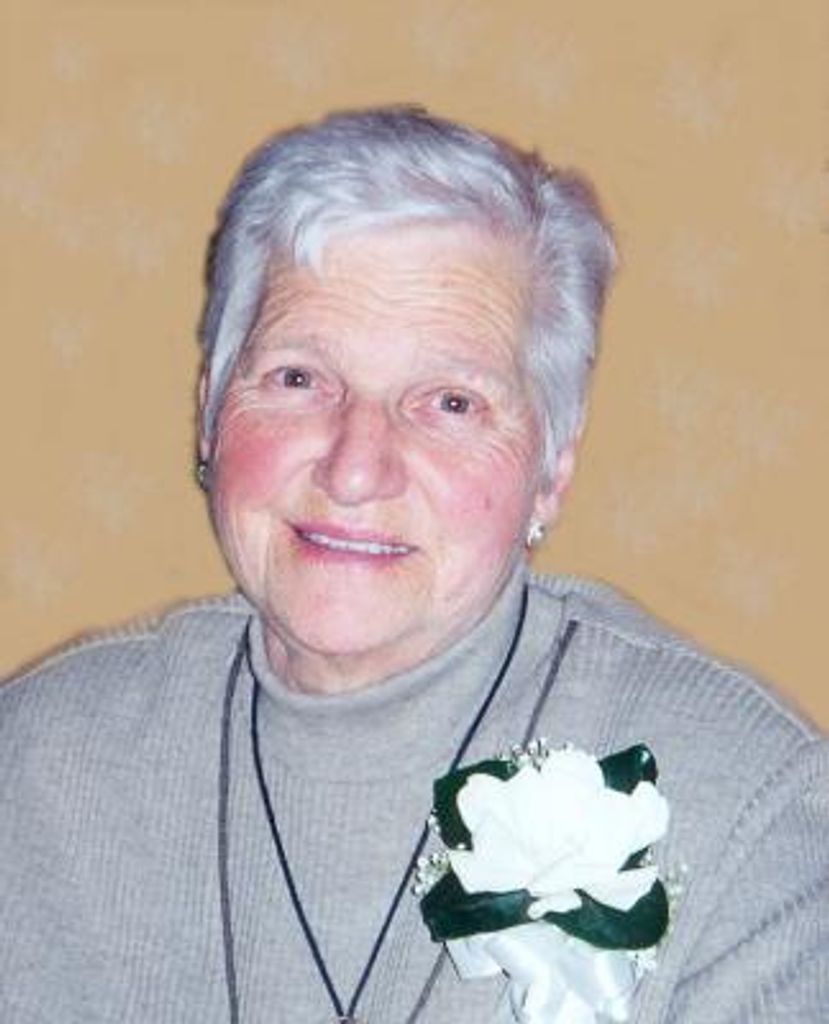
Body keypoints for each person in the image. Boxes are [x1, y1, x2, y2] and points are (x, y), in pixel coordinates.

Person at [1, 106, 826, 1024]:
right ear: (210, 413)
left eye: (449, 403)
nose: (355, 469)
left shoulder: (744, 795)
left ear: (551, 469)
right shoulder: (34, 765)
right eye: (298, 379)